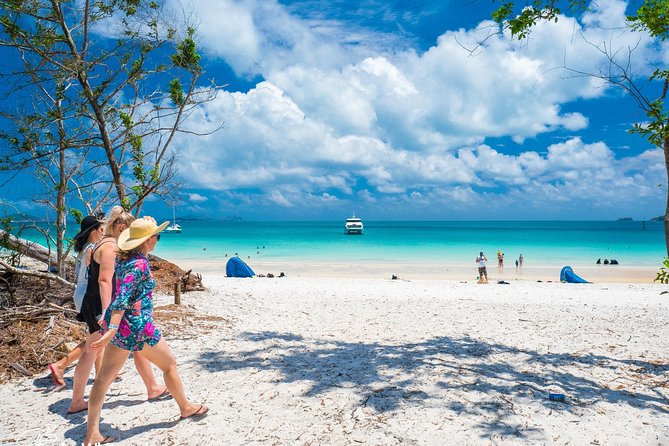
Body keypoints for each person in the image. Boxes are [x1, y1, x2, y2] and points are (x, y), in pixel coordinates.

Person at [84, 218, 208, 445]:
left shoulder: (123, 259)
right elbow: (122, 298)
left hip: (125, 326)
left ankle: (91, 432)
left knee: (102, 379)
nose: (158, 240)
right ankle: (186, 407)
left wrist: (114, 326)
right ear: (148, 240)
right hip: (138, 327)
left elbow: (121, 293)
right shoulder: (139, 263)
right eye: (157, 236)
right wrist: (111, 328)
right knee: (169, 364)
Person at [68, 208, 167, 415]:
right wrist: (107, 311)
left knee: (135, 346)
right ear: (122, 228)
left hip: (101, 303)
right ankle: (77, 400)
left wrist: (148, 222)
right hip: (101, 304)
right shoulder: (110, 247)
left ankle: (152, 387)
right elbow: (105, 280)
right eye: (130, 232)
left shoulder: (103, 243)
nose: (131, 238)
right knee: (91, 352)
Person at [48, 215, 104, 387]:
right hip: (89, 293)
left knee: (98, 333)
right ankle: (61, 365)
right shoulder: (91, 249)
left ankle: (101, 373)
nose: (103, 232)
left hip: (81, 292)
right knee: (97, 336)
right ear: (94, 231)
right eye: (101, 229)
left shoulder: (84, 248)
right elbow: (97, 274)